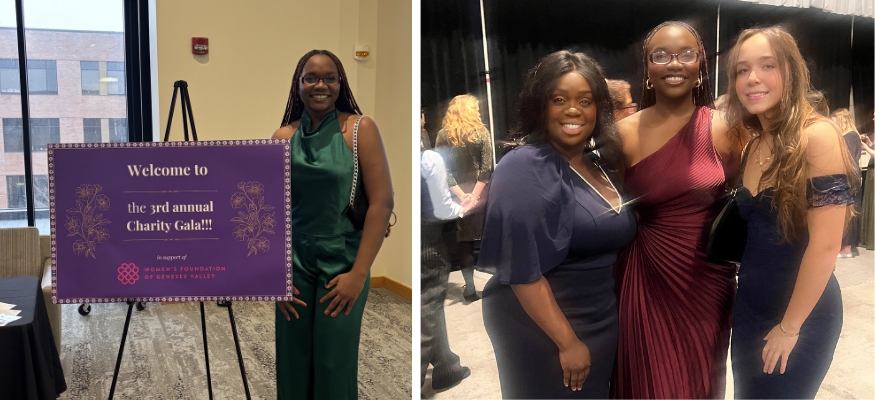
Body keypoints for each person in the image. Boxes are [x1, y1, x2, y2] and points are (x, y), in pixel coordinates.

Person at [480, 50, 636, 399]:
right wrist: (567, 342)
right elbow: (522, 269)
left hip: (597, 316)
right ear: (540, 106)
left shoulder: (598, 164)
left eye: (586, 100)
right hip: (544, 327)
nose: (573, 109)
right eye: (559, 99)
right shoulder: (523, 165)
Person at [724, 26, 858, 399]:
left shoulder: (817, 137)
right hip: (749, 310)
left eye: (768, 65)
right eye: (741, 70)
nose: (752, 78)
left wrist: (789, 327)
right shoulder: (755, 144)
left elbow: (826, 247)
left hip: (801, 317)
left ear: (792, 72)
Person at [612, 21, 743, 398]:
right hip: (643, 279)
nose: (674, 63)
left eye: (686, 54)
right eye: (661, 55)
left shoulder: (725, 128)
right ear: (648, 69)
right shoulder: (623, 133)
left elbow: (740, 198)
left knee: (700, 383)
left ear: (700, 64)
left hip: (707, 283)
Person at [270, 49, 394, 400]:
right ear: (299, 84)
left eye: (330, 77)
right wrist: (273, 277)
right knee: (292, 361)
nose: (320, 85)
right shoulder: (282, 137)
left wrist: (358, 274)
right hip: (293, 263)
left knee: (333, 363)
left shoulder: (359, 129)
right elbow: (269, 213)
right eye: (311, 77)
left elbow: (382, 203)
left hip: (344, 259)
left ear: (341, 83)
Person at [420, 146, 475, 391]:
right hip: (428, 244)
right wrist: (464, 208)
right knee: (427, 313)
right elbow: (442, 209)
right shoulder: (429, 157)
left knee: (430, 309)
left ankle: (446, 367)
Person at [435, 94, 494, 302]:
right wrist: (475, 196)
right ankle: (499, 285)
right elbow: (486, 168)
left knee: (464, 243)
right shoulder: (482, 132)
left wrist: (462, 196)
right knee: (492, 237)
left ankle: (469, 289)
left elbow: (444, 169)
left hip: (457, 196)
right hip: (483, 193)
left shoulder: (443, 134)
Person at [831, 108, 862, 257]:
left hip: (846, 181)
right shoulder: (853, 135)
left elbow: (847, 161)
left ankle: (846, 248)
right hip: (849, 180)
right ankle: (845, 247)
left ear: (841, 120)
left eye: (835, 120)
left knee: (846, 213)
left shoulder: (849, 136)